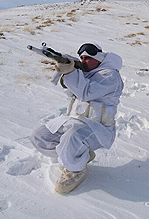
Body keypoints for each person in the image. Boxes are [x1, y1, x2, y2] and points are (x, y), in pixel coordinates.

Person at [30, 43, 124, 194]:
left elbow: (86, 92)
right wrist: (68, 70)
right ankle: (78, 156)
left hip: (98, 129)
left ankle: (75, 170)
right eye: (82, 58)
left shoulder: (110, 76)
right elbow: (72, 93)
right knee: (40, 136)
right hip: (75, 121)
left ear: (99, 59)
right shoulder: (86, 73)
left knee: (72, 136)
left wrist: (71, 73)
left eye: (88, 58)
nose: (84, 61)